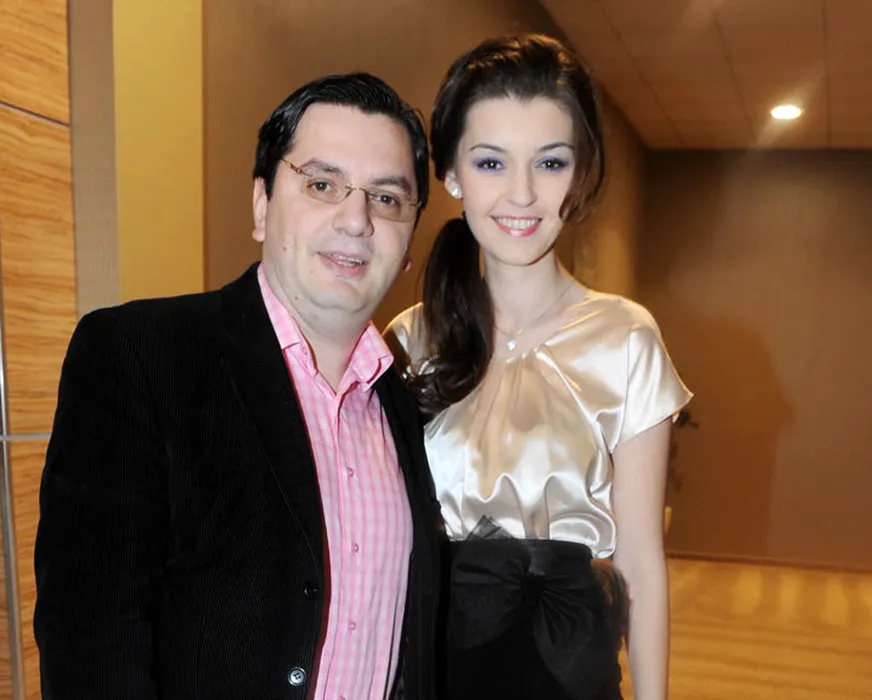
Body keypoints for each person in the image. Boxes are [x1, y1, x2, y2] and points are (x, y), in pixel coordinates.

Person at [34, 73, 441, 700]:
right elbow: (91, 638)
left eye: (387, 198)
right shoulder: (141, 354)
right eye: (322, 184)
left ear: (409, 235)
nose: (356, 219)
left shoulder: (403, 407)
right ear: (261, 204)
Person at [386, 35, 692, 700]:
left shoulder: (627, 339)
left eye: (550, 162)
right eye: (491, 162)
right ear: (452, 174)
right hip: (438, 663)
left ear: (578, 176)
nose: (521, 194)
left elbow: (641, 560)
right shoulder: (409, 342)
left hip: (568, 664)